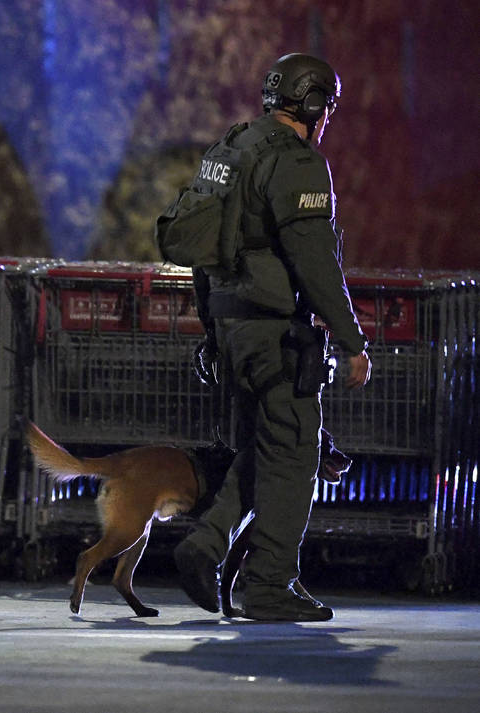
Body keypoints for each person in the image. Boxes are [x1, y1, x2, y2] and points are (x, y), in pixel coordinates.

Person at [173, 53, 371, 621]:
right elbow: (314, 261)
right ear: (311, 104)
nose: (327, 118)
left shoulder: (227, 151)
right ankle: (270, 586)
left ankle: (207, 544)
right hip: (276, 333)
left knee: (263, 454)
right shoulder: (298, 162)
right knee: (294, 455)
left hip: (232, 328)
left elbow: (198, 249)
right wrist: (353, 341)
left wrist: (213, 329)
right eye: (326, 107)